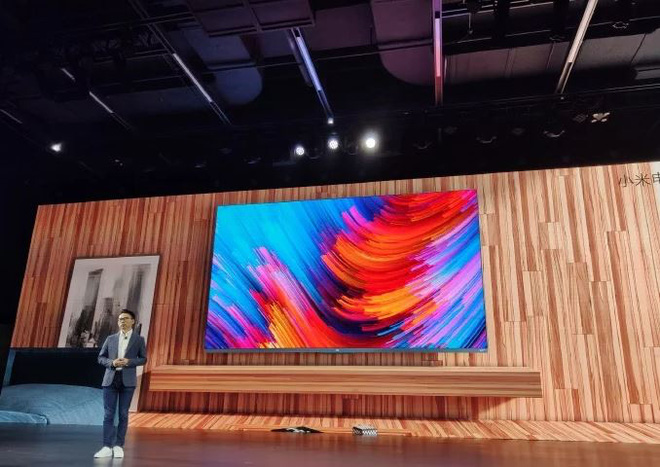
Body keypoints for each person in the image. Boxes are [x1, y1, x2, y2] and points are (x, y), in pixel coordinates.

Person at [94, 309, 147, 458]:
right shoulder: (110, 339)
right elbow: (101, 358)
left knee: (123, 414)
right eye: (120, 319)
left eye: (125, 319)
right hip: (110, 379)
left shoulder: (139, 339)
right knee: (108, 414)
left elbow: (143, 359)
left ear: (132, 321)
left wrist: (129, 362)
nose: (122, 321)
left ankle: (118, 445)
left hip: (127, 380)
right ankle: (106, 446)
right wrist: (112, 363)